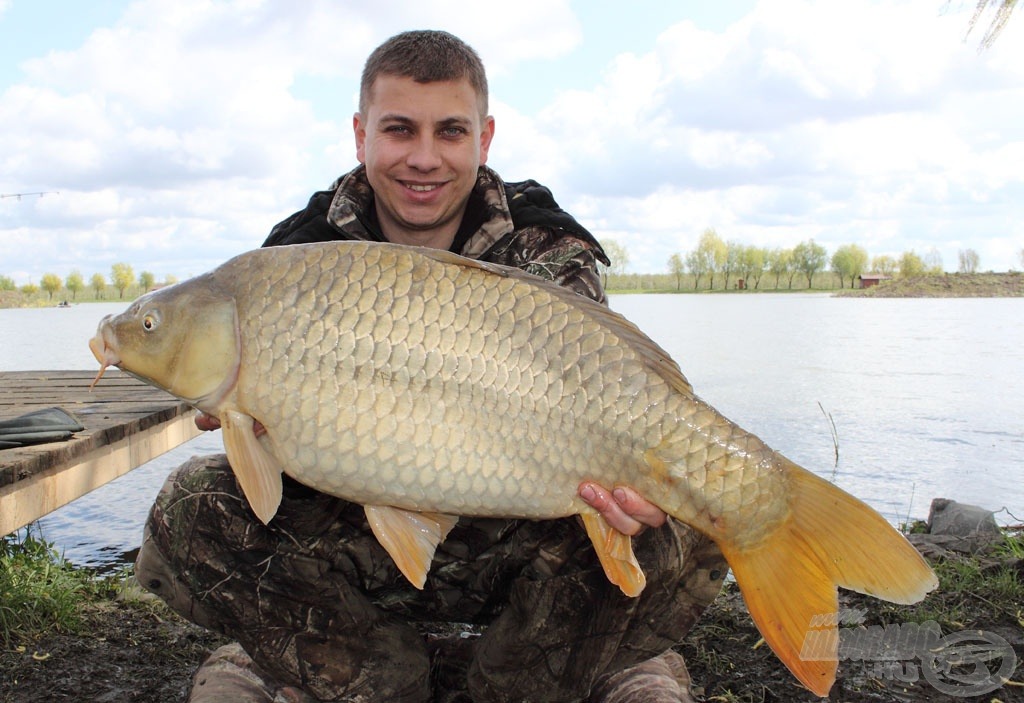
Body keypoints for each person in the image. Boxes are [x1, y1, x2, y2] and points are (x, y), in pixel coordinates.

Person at [135, 30, 727, 703]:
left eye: (450, 131)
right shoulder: (297, 257)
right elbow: (246, 437)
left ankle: (516, 681)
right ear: (360, 135)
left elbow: (611, 402)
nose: (423, 157)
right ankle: (373, 673)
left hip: (516, 550)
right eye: (398, 130)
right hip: (357, 557)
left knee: (685, 516)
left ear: (485, 136)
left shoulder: (549, 249)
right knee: (196, 501)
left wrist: (633, 486)